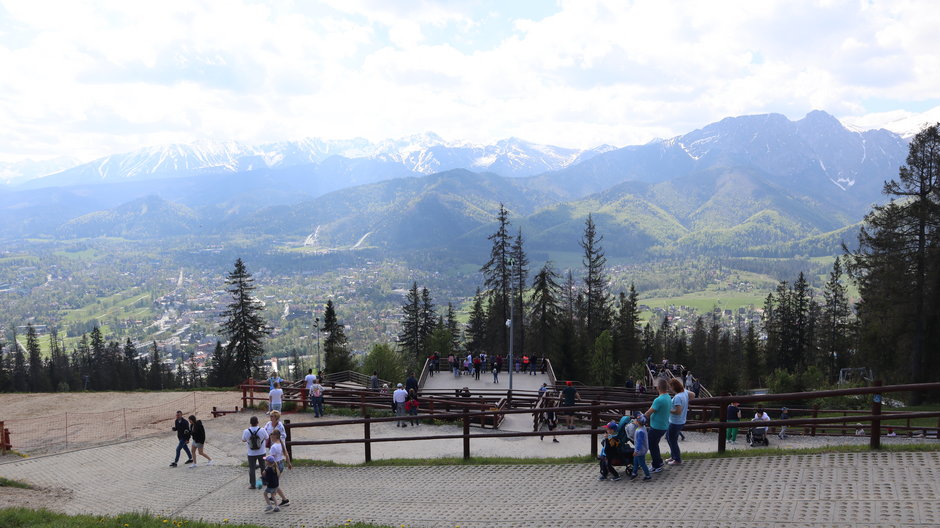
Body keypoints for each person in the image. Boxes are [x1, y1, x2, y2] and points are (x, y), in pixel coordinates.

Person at [643, 378, 671, 473]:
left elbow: (648, 412)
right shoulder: (668, 397)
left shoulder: (658, 400)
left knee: (652, 445)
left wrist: (640, 418)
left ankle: (656, 466)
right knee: (655, 445)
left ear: (658, 387)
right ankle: (658, 461)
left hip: (656, 427)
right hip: (663, 426)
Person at [666, 378, 689, 466]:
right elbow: (693, 394)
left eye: (670, 387)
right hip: (679, 421)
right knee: (669, 438)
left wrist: (669, 410)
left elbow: (678, 411)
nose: (670, 389)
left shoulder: (678, 397)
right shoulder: (685, 393)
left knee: (672, 440)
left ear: (674, 387)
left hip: (675, 422)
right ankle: (673, 456)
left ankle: (677, 459)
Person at [242, 416, 269, 489]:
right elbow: (267, 437)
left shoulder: (246, 431)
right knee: (263, 467)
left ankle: (252, 484)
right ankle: (265, 481)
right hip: (262, 452)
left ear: (250, 423)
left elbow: (243, 440)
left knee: (252, 468)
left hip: (251, 454)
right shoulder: (262, 430)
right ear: (257, 422)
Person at [267, 429, 291, 507]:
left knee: (275, 484)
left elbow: (271, 460)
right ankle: (272, 496)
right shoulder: (281, 443)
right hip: (281, 464)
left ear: (275, 436)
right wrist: (289, 463)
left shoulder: (273, 447)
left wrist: (267, 468)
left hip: (275, 466)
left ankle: (284, 499)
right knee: (275, 483)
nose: (270, 436)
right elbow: (286, 454)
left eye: (272, 434)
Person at [630, 414, 652, 481]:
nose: (635, 421)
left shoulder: (640, 431)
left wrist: (636, 451)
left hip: (640, 450)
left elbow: (639, 442)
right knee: (635, 461)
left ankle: (648, 475)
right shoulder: (642, 427)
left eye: (636, 420)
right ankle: (634, 473)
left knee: (642, 463)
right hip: (639, 449)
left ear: (638, 422)